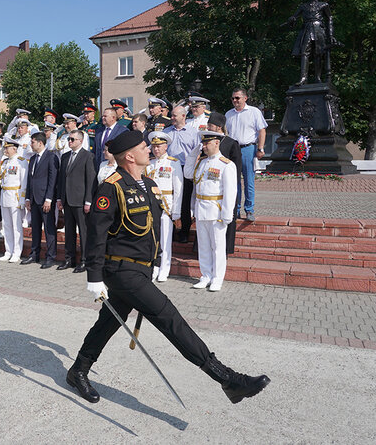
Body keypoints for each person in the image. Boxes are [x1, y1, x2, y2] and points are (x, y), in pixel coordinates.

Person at [65, 130, 269, 405]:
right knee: (168, 317)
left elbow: (151, 230)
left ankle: (78, 370)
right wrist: (94, 276)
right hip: (121, 271)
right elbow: (96, 234)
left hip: (140, 269)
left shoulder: (147, 185)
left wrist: (155, 261)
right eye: (142, 147)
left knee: (109, 321)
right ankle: (227, 379)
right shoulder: (111, 187)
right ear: (129, 156)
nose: (148, 149)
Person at [186, 131, 237, 292]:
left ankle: (217, 278)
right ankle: (205, 275)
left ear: (216, 143)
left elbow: (230, 192)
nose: (204, 146)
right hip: (201, 210)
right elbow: (189, 176)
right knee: (204, 246)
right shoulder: (201, 162)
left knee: (218, 247)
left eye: (206, 143)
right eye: (203, 143)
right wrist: (194, 153)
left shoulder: (226, 164)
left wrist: (227, 215)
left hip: (217, 211)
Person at [144, 132, 183, 282]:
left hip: (166, 205)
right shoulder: (150, 164)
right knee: (152, 239)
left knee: (165, 239)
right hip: (151, 205)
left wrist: (176, 211)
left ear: (166, 147)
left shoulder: (173, 163)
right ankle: (154, 267)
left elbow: (178, 189)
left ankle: (164, 269)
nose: (156, 149)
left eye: (159, 146)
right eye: (154, 146)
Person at [56, 130, 96, 273]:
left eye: (72, 139)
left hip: (80, 201)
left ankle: (85, 260)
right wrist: (60, 198)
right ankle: (69, 259)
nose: (70, 142)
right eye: (69, 139)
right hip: (67, 199)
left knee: (83, 232)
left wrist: (88, 201)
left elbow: (90, 180)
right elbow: (62, 179)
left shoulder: (88, 156)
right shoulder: (65, 156)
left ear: (80, 140)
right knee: (69, 232)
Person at [225, 88, 267, 221]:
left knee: (249, 181)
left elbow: (262, 131)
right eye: (233, 98)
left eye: (237, 98)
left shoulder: (254, 112)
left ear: (245, 98)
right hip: (233, 150)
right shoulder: (228, 114)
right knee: (233, 182)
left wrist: (260, 148)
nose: (235, 101)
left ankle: (249, 210)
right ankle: (235, 210)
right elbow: (226, 134)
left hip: (248, 148)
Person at [207, 112, 242, 254]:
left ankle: (225, 249)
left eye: (210, 125)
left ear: (219, 127)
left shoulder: (231, 143)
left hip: (224, 187)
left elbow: (236, 167)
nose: (208, 127)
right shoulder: (207, 142)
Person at [22, 132, 59, 269]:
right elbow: (30, 180)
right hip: (33, 199)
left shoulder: (51, 157)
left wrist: (49, 199)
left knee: (49, 229)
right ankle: (34, 254)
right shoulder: (32, 159)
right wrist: (27, 197)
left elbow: (52, 179)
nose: (31, 145)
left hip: (45, 199)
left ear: (40, 143)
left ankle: (50, 257)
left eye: (32, 142)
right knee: (35, 228)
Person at [164, 106, 200, 243]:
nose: (172, 118)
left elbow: (197, 153)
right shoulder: (166, 132)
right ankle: (170, 230)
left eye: (174, 116)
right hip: (169, 169)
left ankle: (185, 231)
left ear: (183, 116)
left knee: (184, 201)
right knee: (169, 199)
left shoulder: (193, 132)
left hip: (186, 169)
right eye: (171, 115)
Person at [0, 136, 28, 263]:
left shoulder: (21, 161)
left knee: (16, 227)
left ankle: (16, 252)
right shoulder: (4, 162)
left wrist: (22, 200)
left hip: (15, 196)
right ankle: (8, 251)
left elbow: (24, 182)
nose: (5, 150)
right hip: (4, 195)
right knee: (6, 225)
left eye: (7, 148)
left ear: (14, 148)